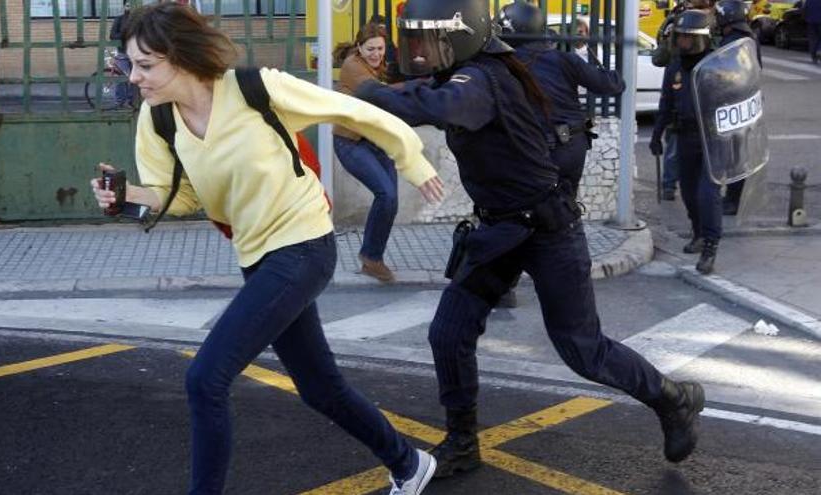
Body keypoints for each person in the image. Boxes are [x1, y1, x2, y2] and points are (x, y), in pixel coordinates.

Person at [90, 4, 444, 494]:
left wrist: (414, 162)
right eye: (131, 65)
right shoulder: (157, 122)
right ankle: (408, 463)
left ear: (181, 57)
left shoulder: (255, 88)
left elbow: (353, 109)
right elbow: (180, 196)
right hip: (257, 257)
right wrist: (126, 195)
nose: (135, 77)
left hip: (303, 244)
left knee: (205, 380)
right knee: (320, 388)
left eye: (146, 66)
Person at [356, 0, 706, 479]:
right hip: (499, 229)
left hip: (547, 229)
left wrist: (365, 87)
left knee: (582, 348)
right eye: (414, 41)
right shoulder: (467, 70)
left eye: (429, 41)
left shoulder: (481, 79)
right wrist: (368, 92)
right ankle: (462, 442)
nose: (420, 53)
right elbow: (421, 88)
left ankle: (673, 399)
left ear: (460, 36)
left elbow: (433, 104)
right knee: (449, 333)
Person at [495, 1, 624, 196]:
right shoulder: (563, 59)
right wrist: (612, 73)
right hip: (570, 148)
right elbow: (610, 85)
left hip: (531, 149)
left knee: (533, 212)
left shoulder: (502, 65)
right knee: (565, 212)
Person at [650, 9, 721, 274]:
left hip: (712, 138)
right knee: (689, 192)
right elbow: (666, 103)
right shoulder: (675, 67)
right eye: (679, 38)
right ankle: (699, 232)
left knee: (708, 194)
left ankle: (711, 245)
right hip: (685, 136)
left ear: (700, 39)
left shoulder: (717, 65)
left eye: (686, 38)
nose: (681, 43)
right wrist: (656, 135)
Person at [332, 21, 402, 282]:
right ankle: (370, 257)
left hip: (375, 142)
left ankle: (372, 259)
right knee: (385, 193)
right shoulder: (353, 67)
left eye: (380, 49)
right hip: (350, 143)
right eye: (371, 48)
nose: (376, 54)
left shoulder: (378, 67)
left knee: (391, 199)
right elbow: (380, 95)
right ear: (359, 47)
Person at [714, 0, 762, 215]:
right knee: (737, 154)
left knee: (730, 155)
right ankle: (732, 197)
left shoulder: (732, 42)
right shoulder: (750, 38)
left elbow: (724, 73)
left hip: (730, 106)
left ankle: (730, 199)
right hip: (743, 105)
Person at [109, 0, 133, 105]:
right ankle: (119, 101)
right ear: (124, 6)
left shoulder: (139, 19)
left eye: (131, 5)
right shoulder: (119, 19)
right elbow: (112, 35)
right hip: (123, 52)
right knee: (121, 78)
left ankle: (133, 101)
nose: (130, 7)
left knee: (135, 79)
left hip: (136, 53)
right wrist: (124, 34)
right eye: (128, 5)